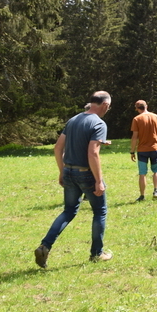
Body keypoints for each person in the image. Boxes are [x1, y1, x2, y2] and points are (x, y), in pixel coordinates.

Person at [34, 91, 113, 268]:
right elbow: (93, 153)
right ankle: (96, 253)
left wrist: (62, 171)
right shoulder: (99, 123)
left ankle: (44, 246)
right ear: (105, 105)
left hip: (69, 171)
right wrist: (99, 180)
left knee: (68, 211)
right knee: (100, 212)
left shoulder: (73, 120)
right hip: (86, 174)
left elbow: (57, 148)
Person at [130, 100, 157, 201]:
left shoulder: (136, 119)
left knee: (142, 173)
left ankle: (142, 196)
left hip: (142, 150)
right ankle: (156, 190)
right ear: (146, 106)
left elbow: (134, 137)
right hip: (155, 149)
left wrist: (132, 151)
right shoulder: (156, 117)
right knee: (156, 170)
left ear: (137, 108)